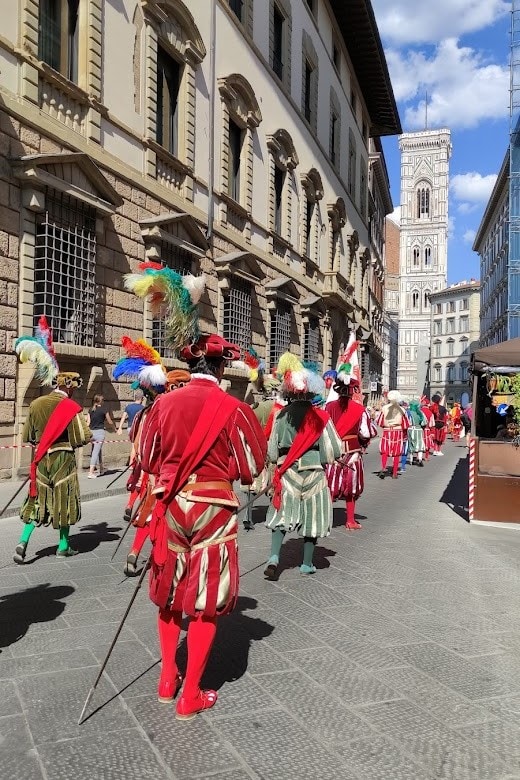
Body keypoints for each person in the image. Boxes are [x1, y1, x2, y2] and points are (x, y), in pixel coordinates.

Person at [139, 334, 267, 719]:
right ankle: (190, 693)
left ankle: (166, 678)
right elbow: (251, 467)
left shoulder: (163, 403)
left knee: (168, 590)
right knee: (205, 600)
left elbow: (147, 457)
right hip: (213, 507)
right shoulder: (235, 408)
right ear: (221, 367)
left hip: (172, 505)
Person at [13, 317, 92, 564]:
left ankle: (23, 542)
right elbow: (82, 439)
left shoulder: (36, 403)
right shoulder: (71, 406)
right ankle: (63, 545)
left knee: (36, 501)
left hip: (41, 459)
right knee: (64, 501)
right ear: (68, 387)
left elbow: (28, 436)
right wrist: (85, 425)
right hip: (63, 459)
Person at [263, 353, 342, 580]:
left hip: (287, 471)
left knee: (281, 514)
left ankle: (274, 557)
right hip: (313, 472)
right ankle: (306, 564)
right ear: (311, 391)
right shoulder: (321, 417)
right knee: (312, 518)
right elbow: (332, 451)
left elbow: (271, 451)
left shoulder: (281, 415)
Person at [123, 369, 190, 577]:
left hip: (148, 472)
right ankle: (160, 557)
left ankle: (134, 552)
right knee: (164, 518)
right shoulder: (174, 411)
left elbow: (136, 439)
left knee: (147, 512)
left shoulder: (144, 413)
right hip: (167, 473)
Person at [325, 365, 376, 530]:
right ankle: (350, 520)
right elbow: (366, 433)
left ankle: (325, 520)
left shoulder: (328, 407)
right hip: (352, 452)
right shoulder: (360, 409)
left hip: (332, 451)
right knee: (351, 487)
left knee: (329, 485)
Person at [377, 391, 409, 479]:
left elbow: (379, 421)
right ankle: (394, 473)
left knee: (385, 450)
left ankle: (383, 468)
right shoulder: (402, 409)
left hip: (387, 430)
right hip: (398, 431)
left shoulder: (384, 408)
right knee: (396, 452)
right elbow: (406, 424)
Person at [86, 395, 116, 478]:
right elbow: (109, 421)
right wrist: (114, 429)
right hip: (99, 433)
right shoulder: (104, 409)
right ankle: (91, 472)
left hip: (91, 433)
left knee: (98, 451)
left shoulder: (90, 410)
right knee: (95, 452)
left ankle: (101, 469)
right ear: (101, 401)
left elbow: (87, 423)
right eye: (103, 400)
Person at [407, 400, 427, 467]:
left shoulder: (408, 412)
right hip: (418, 429)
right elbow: (424, 422)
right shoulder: (420, 413)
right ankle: (420, 459)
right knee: (420, 444)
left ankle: (411, 460)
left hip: (410, 429)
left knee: (411, 443)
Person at [420, 397, 435, 462]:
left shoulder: (419, 411)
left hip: (420, 429)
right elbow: (432, 424)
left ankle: (419, 457)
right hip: (427, 429)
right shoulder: (430, 413)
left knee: (419, 443)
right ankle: (426, 456)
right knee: (427, 444)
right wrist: (432, 432)